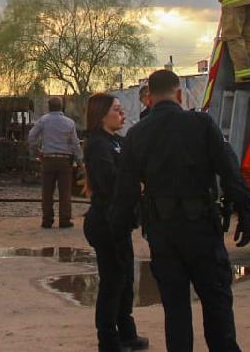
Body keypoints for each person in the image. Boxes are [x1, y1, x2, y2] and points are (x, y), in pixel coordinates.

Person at [110, 70, 250, 352]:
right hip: (202, 228)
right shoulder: (201, 124)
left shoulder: (137, 134)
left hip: (163, 233)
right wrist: (245, 211)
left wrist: (118, 232)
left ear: (149, 98)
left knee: (175, 310)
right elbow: (229, 170)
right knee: (217, 304)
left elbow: (125, 191)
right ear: (179, 94)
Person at [83, 93, 149, 352]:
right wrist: (135, 186)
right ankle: (108, 341)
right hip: (105, 221)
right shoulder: (98, 144)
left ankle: (127, 333)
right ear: (101, 115)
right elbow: (108, 181)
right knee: (112, 282)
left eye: (122, 109)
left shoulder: (118, 142)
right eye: (117, 110)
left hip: (120, 222)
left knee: (124, 281)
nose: (122, 114)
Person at [28, 97, 83, 229]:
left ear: (48, 107)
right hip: (65, 161)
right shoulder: (70, 123)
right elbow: (75, 144)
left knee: (47, 192)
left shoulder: (43, 121)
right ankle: (64, 220)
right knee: (65, 192)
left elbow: (31, 136)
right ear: (61, 107)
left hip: (48, 159)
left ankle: (47, 220)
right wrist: (79, 161)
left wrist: (36, 151)